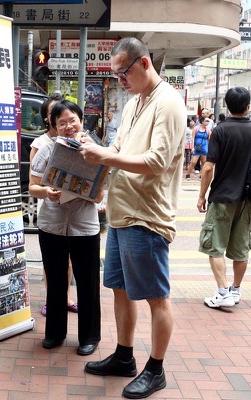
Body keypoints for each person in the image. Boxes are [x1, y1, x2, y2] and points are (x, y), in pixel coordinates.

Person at [79, 37, 185, 399]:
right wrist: (86, 153)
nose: (120, 81)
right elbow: (120, 151)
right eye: (116, 74)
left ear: (143, 64)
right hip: (122, 214)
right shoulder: (133, 103)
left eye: (123, 73)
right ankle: (125, 356)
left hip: (148, 216)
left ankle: (155, 369)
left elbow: (156, 162)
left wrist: (105, 159)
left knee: (156, 296)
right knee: (120, 289)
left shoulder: (168, 103)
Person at [29, 99, 103, 357]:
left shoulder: (95, 150)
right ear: (54, 126)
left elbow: (101, 193)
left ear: (81, 120)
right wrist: (46, 192)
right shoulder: (46, 150)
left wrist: (94, 193)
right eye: (62, 123)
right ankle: (54, 333)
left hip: (85, 225)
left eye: (73, 120)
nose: (69, 126)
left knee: (88, 282)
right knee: (57, 280)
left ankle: (89, 337)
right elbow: (32, 186)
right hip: (52, 225)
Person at [197, 87, 251, 308]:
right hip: (248, 199)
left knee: (214, 246)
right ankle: (235, 290)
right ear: (248, 107)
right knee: (241, 249)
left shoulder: (220, 131)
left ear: (227, 106)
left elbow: (208, 167)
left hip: (222, 197)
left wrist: (202, 195)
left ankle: (222, 292)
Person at [30, 93, 78, 317]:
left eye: (70, 118)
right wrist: (47, 192)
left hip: (75, 213)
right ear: (48, 119)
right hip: (50, 208)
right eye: (54, 114)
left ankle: (66, 296)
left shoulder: (80, 142)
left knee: (68, 261)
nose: (65, 122)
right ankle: (52, 299)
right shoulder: (41, 145)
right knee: (53, 262)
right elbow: (35, 181)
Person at [186, 116, 211, 181]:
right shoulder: (196, 128)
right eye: (206, 121)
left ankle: (201, 176)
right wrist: (192, 147)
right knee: (193, 162)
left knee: (204, 163)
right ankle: (188, 175)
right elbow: (193, 138)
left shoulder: (208, 130)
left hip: (204, 147)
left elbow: (209, 139)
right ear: (202, 121)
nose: (207, 122)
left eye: (208, 121)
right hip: (197, 147)